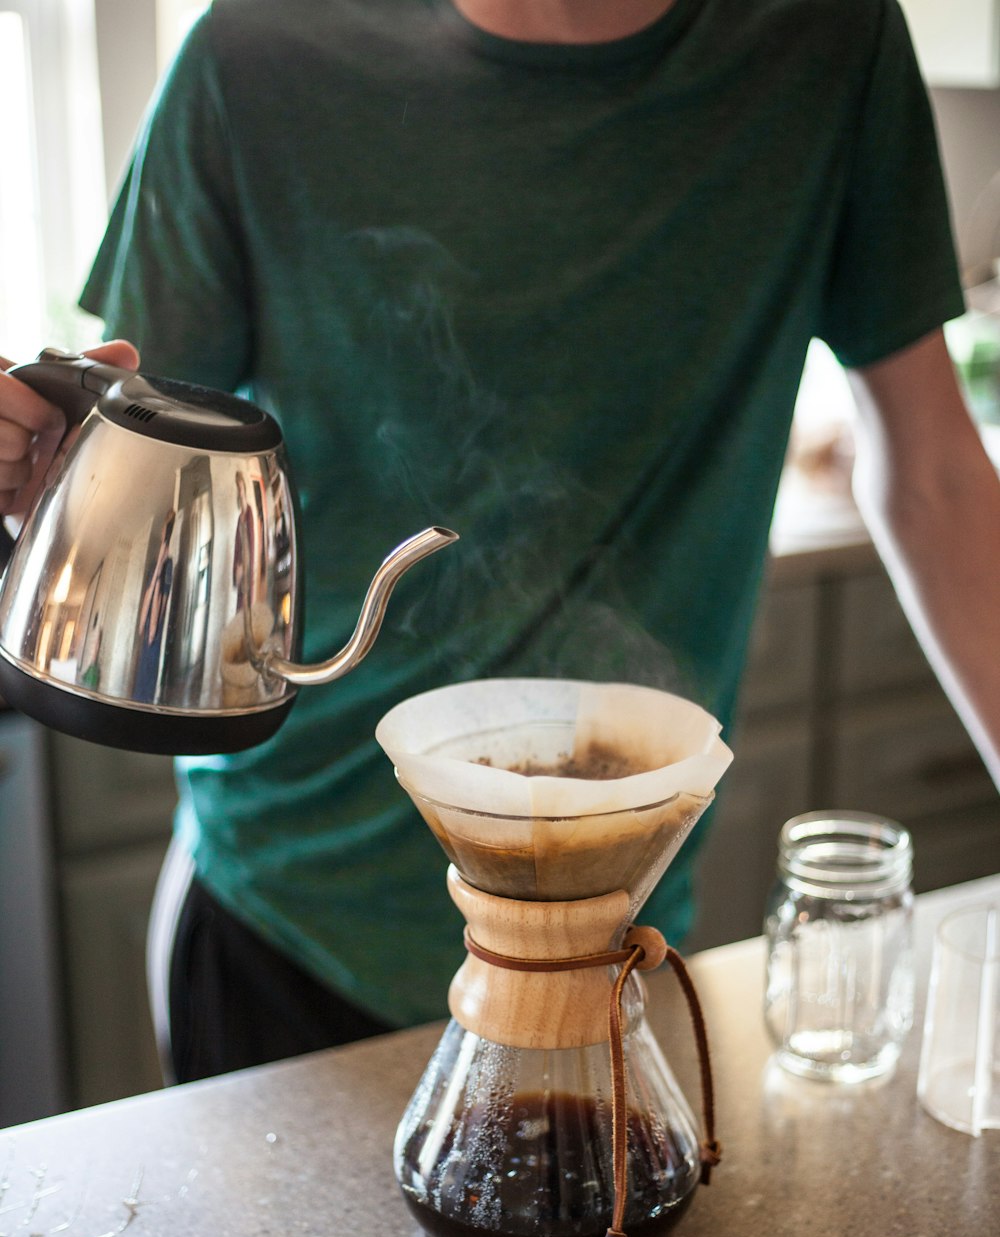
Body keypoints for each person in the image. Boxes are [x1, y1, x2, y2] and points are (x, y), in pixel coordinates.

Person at [1, 0, 998, 1083]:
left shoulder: (826, 43)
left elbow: (935, 471)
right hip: (295, 920)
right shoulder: (256, 54)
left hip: (618, 918)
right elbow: (136, 446)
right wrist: (43, 476)